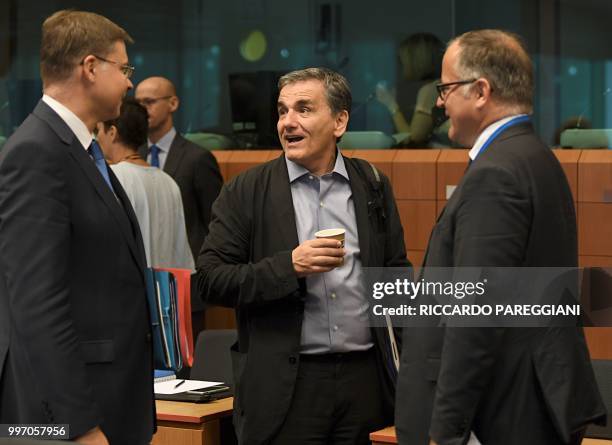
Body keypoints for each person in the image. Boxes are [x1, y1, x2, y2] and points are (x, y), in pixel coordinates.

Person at [395, 29, 606, 445]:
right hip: (529, 398)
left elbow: (476, 311)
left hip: (499, 414)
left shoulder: (497, 173)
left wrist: (446, 430)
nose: (439, 101)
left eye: (446, 88)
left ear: (480, 91)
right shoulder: (536, 156)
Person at [197, 67, 410, 445]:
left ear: (340, 121)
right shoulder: (246, 191)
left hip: (367, 382)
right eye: (282, 111)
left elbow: (395, 275)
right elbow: (211, 280)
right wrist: (288, 266)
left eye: (304, 109)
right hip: (286, 388)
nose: (287, 123)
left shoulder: (373, 184)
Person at [0, 10, 154, 445]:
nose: (129, 82)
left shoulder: (82, 149)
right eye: (123, 68)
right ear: (90, 67)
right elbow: (36, 302)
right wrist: (80, 425)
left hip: (109, 402)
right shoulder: (35, 151)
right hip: (67, 417)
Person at [135, 76, 223, 337]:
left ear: (172, 103)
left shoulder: (197, 158)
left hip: (185, 284)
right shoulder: (132, 154)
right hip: (142, 281)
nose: (143, 110)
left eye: (149, 102)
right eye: (138, 103)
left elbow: (214, 223)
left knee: (186, 368)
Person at [96, 97, 194, 270]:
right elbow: (182, 258)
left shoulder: (112, 179)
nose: (97, 139)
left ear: (112, 133)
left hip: (126, 290)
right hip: (164, 293)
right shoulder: (169, 182)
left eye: (98, 131)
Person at [376, 33, 448, 146]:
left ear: (416, 61)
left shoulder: (430, 90)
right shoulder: (435, 86)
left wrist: (391, 104)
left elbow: (413, 139)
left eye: (403, 60)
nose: (402, 65)